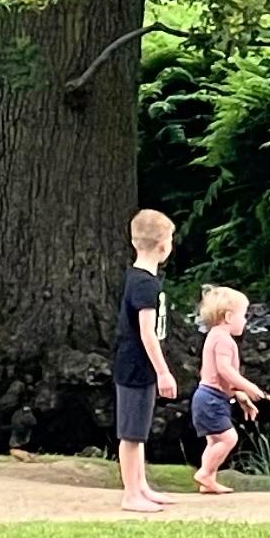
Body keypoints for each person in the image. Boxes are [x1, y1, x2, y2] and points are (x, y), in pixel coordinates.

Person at [112, 208, 179, 513]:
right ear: (163, 245)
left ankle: (141, 486)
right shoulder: (145, 285)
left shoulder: (138, 278)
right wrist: (163, 372)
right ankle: (130, 494)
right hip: (136, 364)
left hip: (138, 364)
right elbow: (147, 333)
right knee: (131, 432)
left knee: (139, 429)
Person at [190, 284, 270, 493]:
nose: (246, 321)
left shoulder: (214, 336)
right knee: (229, 438)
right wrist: (250, 388)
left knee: (213, 441)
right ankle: (205, 473)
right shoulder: (223, 339)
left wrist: (239, 396)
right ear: (229, 317)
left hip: (209, 397)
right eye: (244, 315)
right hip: (211, 398)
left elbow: (215, 374)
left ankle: (208, 479)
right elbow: (224, 371)